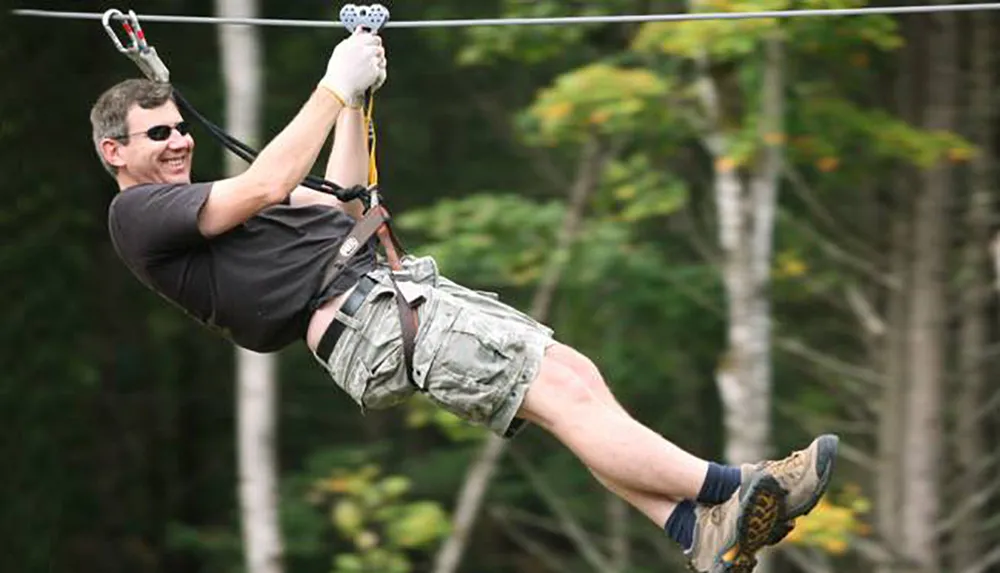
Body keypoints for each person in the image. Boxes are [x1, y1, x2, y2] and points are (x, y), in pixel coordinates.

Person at [90, 28, 839, 573]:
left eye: (182, 127)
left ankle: (692, 529)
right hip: (372, 316)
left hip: (389, 292)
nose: (180, 141)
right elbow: (265, 182)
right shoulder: (140, 216)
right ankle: (739, 487)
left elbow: (347, 205)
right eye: (158, 133)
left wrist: (355, 102)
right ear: (114, 152)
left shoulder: (213, 206)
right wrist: (330, 80)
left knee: (571, 381)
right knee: (557, 391)